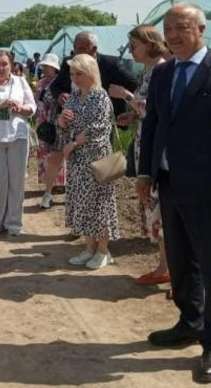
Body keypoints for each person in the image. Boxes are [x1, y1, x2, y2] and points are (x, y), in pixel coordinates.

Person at [138, 4, 211, 383]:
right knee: (180, 257)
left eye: (181, 26)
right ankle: (190, 320)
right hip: (170, 184)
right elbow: (153, 123)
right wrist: (145, 172)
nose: (172, 34)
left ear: (201, 29)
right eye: (168, 28)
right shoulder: (163, 73)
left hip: (210, 191)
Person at [110, 25, 170, 286]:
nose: (131, 50)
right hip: (145, 145)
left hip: (158, 150)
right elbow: (146, 111)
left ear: (149, 43)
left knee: (162, 208)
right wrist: (133, 115)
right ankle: (164, 266)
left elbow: (156, 110)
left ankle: (172, 270)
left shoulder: (161, 69)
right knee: (153, 206)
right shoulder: (148, 71)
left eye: (134, 45)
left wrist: (126, 96)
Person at [57, 54, 120, 269]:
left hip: (96, 159)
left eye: (79, 74)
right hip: (78, 160)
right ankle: (89, 248)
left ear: (91, 73)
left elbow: (98, 130)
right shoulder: (75, 95)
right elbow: (66, 122)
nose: (75, 78)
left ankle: (104, 251)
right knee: (81, 203)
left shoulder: (100, 97)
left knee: (99, 204)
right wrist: (61, 121)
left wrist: (73, 143)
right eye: (73, 74)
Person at [0, 50, 36, 237]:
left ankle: (14, 223)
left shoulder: (20, 82)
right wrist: (0, 106)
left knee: (17, 182)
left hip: (18, 136)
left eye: (5, 64)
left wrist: (21, 108)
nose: (1, 68)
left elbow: (32, 107)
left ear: (11, 65)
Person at [50, 31, 138, 119]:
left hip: (102, 120)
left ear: (94, 49)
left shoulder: (110, 64)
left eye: (81, 48)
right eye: (75, 47)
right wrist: (59, 94)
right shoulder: (68, 63)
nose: (77, 51)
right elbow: (55, 85)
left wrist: (123, 96)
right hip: (71, 120)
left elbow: (134, 84)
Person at [34, 53, 66, 209]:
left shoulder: (58, 84)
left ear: (55, 68)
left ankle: (58, 183)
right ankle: (47, 181)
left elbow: (56, 101)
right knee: (43, 151)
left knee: (55, 151)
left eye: (48, 67)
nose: (45, 69)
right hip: (42, 121)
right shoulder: (41, 83)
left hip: (54, 121)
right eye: (43, 67)